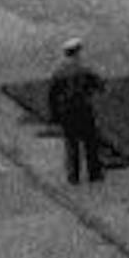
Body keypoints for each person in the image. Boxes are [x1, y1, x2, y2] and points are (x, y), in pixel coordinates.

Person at [46, 37, 105, 184]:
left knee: (71, 144)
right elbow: (99, 84)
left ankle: (73, 176)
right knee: (90, 141)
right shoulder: (84, 68)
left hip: (67, 111)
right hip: (84, 109)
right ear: (78, 51)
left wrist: (53, 114)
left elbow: (52, 94)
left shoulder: (58, 70)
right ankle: (94, 173)